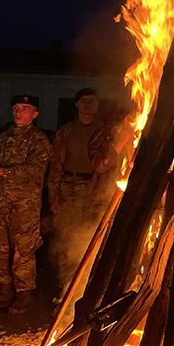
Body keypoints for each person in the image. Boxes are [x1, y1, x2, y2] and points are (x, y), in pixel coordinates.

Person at [0, 95, 51, 314]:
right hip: (1, 202)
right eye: (16, 108)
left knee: (23, 249)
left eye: (24, 109)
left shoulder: (39, 140)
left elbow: (34, 171)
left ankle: (24, 293)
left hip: (24, 204)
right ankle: (2, 291)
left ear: (34, 114)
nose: (18, 112)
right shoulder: (5, 137)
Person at [47, 88, 109, 301]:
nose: (88, 105)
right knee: (67, 237)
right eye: (84, 101)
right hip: (68, 186)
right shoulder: (66, 131)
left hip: (93, 188)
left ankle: (85, 289)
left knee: (89, 237)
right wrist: (53, 196)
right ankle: (66, 289)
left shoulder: (105, 132)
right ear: (76, 104)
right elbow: (55, 165)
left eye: (92, 101)